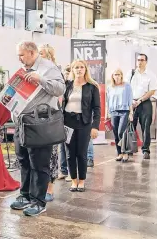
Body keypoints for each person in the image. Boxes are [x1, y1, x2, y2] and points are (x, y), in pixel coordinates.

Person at [10, 41, 65, 216]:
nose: (19, 58)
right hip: (22, 122)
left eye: (21, 55)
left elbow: (60, 88)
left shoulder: (48, 68)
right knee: (24, 160)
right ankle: (25, 195)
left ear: (32, 53)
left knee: (39, 164)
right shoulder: (23, 70)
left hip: (39, 124)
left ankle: (38, 201)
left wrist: (40, 79)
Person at [63, 60, 100, 192]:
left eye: (81, 67)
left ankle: (82, 181)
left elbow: (96, 108)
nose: (79, 70)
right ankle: (73, 180)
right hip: (67, 122)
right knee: (69, 154)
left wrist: (95, 126)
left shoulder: (92, 86)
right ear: (72, 70)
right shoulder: (67, 85)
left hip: (84, 123)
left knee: (81, 153)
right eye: (76, 67)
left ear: (85, 69)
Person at [125, 54, 157, 159]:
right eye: (138, 60)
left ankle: (145, 150)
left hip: (145, 103)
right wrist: (131, 102)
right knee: (130, 126)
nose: (140, 62)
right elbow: (126, 88)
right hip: (132, 103)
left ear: (146, 62)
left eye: (142, 60)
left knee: (146, 127)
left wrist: (140, 100)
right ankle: (130, 149)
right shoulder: (131, 74)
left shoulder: (151, 75)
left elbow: (151, 91)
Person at [38, 44, 60, 202]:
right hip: (35, 117)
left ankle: (50, 188)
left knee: (51, 154)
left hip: (50, 116)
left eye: (41, 54)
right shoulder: (34, 70)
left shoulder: (54, 71)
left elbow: (57, 91)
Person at [106, 69, 133, 162]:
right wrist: (107, 113)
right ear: (112, 76)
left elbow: (130, 99)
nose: (117, 76)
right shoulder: (110, 87)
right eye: (115, 74)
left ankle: (125, 153)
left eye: (118, 74)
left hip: (124, 111)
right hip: (113, 112)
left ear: (121, 75)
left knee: (121, 132)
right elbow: (108, 101)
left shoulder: (127, 86)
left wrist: (131, 112)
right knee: (115, 134)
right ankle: (119, 153)